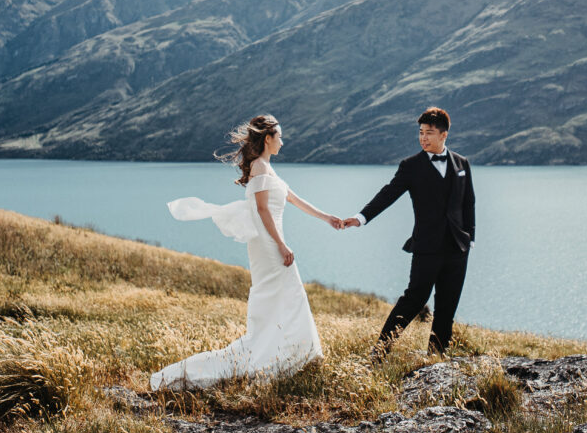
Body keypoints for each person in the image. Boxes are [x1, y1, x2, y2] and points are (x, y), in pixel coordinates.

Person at [151, 115, 343, 390]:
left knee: (287, 295)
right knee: (285, 292)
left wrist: (327, 218)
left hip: (272, 238)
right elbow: (262, 210)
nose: (283, 141)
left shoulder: (267, 168)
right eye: (279, 136)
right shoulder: (259, 167)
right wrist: (281, 244)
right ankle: (278, 355)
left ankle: (292, 354)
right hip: (267, 242)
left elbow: (293, 198)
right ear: (268, 138)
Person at [344, 107, 475, 360]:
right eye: (420, 133)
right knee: (413, 300)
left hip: (458, 249)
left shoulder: (462, 164)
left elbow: (469, 202)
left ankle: (436, 358)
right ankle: (380, 351)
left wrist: (470, 238)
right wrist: (361, 218)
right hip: (426, 247)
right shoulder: (411, 166)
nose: (423, 138)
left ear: (444, 135)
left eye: (429, 133)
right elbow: (388, 193)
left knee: (447, 306)